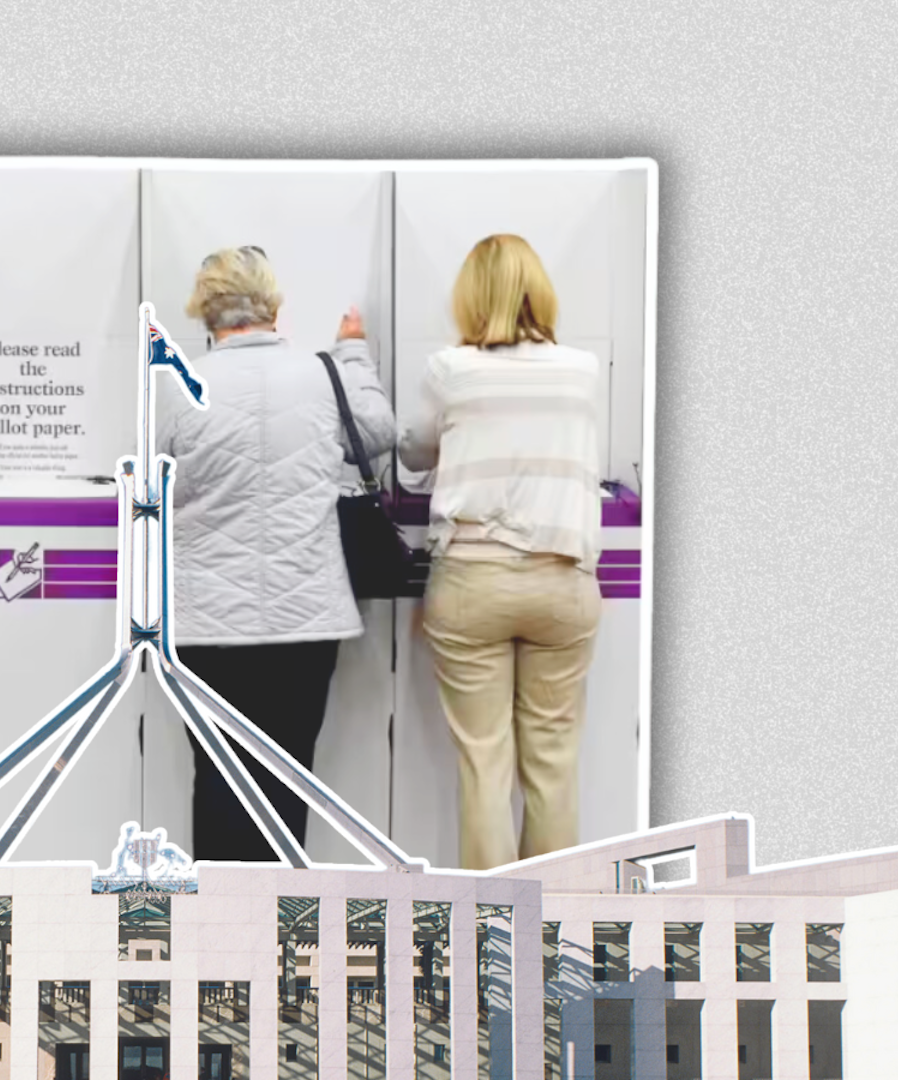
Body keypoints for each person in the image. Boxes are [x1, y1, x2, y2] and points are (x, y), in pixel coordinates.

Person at [154, 245, 395, 862]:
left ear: (204, 308)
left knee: (217, 775)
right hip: (304, 623)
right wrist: (353, 352)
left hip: (208, 626)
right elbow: (379, 433)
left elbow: (151, 484)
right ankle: (283, 912)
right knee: (288, 776)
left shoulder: (179, 386)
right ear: (272, 303)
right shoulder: (321, 376)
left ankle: (218, 916)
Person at [398, 234, 604, 871]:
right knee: (554, 763)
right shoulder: (582, 370)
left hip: (473, 581)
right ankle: (554, 916)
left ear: (471, 297)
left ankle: (490, 924)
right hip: (564, 581)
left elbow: (413, 454)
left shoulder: (451, 370)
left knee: (484, 765)